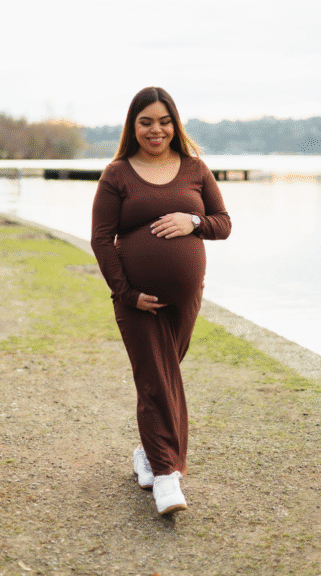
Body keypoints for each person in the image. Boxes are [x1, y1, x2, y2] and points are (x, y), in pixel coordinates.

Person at [91, 86, 231, 515]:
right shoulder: (117, 174)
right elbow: (100, 239)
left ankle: (147, 455)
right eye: (146, 121)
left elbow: (223, 224)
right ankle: (168, 477)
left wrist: (193, 221)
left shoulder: (195, 168)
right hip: (137, 300)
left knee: (161, 378)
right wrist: (127, 294)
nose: (156, 129)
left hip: (184, 298)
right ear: (133, 126)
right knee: (156, 379)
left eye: (164, 121)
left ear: (175, 124)